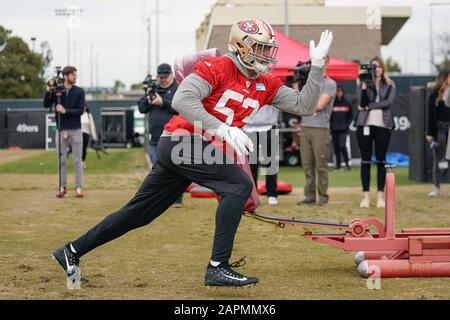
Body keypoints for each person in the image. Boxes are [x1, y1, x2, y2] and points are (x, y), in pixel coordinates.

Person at [52, 19, 333, 288]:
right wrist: (221, 129)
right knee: (239, 185)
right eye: (260, 47)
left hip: (190, 148)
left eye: (267, 48)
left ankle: (72, 250)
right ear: (242, 46)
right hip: (181, 141)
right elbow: (182, 99)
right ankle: (217, 267)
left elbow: (304, 106)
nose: (266, 54)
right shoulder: (218, 66)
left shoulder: (266, 82)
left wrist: (318, 66)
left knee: (138, 213)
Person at [138, 63, 184, 207]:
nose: (163, 80)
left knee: (176, 169)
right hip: (155, 138)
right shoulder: (154, 89)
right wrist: (149, 96)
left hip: (174, 137)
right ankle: (158, 198)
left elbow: (181, 108)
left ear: (171, 75)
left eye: (165, 77)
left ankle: (177, 199)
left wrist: (162, 102)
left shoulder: (178, 89)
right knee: (156, 170)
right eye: (160, 77)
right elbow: (141, 108)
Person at [355, 56, 396, 208]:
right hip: (364, 125)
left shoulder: (390, 85)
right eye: (373, 67)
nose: (376, 69)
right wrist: (364, 85)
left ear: (383, 68)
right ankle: (366, 197)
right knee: (365, 161)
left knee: (381, 161)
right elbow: (361, 103)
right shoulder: (364, 83)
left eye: (378, 66)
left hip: (383, 126)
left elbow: (388, 103)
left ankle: (380, 196)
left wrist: (368, 107)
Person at [298, 56, 337, 206]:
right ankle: (309, 196)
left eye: (322, 61)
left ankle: (323, 195)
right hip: (306, 126)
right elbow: (299, 103)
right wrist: (297, 85)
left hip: (320, 128)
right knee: (307, 164)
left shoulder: (330, 83)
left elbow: (319, 105)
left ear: (327, 63)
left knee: (320, 164)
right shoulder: (309, 82)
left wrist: (305, 102)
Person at [43, 66, 85, 198]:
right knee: (61, 160)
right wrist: (48, 89)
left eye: (75, 75)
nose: (75, 77)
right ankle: (63, 187)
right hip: (61, 129)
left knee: (77, 161)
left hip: (76, 129)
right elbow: (46, 104)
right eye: (73, 75)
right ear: (66, 76)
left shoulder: (79, 91)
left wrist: (65, 111)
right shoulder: (57, 91)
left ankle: (78, 188)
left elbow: (80, 110)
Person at [243, 104, 279, 205]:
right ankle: (252, 194)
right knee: (251, 165)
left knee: (270, 163)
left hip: (268, 126)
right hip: (249, 128)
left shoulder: (271, 88)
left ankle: (272, 194)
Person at [426, 69, 450, 197]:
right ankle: (436, 187)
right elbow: (430, 115)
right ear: (444, 78)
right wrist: (430, 133)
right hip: (439, 130)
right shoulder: (434, 95)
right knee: (437, 159)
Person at [330, 85, 353, 170]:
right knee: (336, 148)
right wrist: (331, 126)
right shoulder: (332, 104)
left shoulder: (347, 103)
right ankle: (338, 166)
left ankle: (348, 165)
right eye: (337, 91)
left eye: (340, 91)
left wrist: (346, 125)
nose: (339, 93)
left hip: (343, 129)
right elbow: (329, 116)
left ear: (343, 92)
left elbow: (351, 116)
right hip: (334, 129)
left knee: (342, 146)